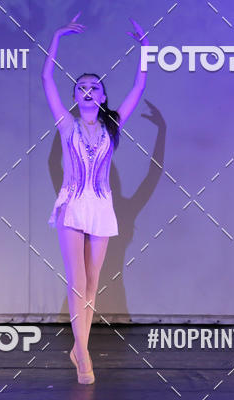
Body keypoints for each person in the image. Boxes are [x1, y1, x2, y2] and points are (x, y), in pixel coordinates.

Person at [41, 11, 149, 384]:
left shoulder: (112, 125)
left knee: (91, 283)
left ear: (102, 96)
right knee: (76, 280)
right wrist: (56, 37)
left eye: (94, 87)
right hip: (72, 203)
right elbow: (46, 79)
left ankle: (79, 348)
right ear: (75, 96)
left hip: (101, 206)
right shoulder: (66, 124)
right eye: (81, 87)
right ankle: (84, 355)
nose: (87, 90)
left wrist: (145, 49)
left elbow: (138, 86)